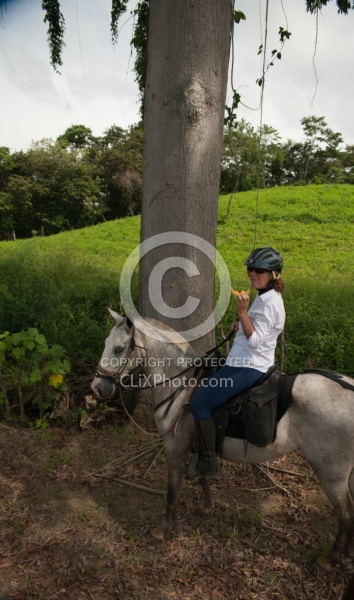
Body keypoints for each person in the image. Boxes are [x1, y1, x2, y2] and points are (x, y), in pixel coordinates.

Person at [187, 246, 286, 480]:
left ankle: (208, 463)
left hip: (248, 366)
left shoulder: (270, 302)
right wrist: (240, 323)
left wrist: (242, 313)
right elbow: (256, 329)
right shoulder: (264, 297)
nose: (253, 273)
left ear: (274, 274)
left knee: (199, 403)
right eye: (250, 268)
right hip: (241, 361)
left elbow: (256, 340)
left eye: (259, 270)